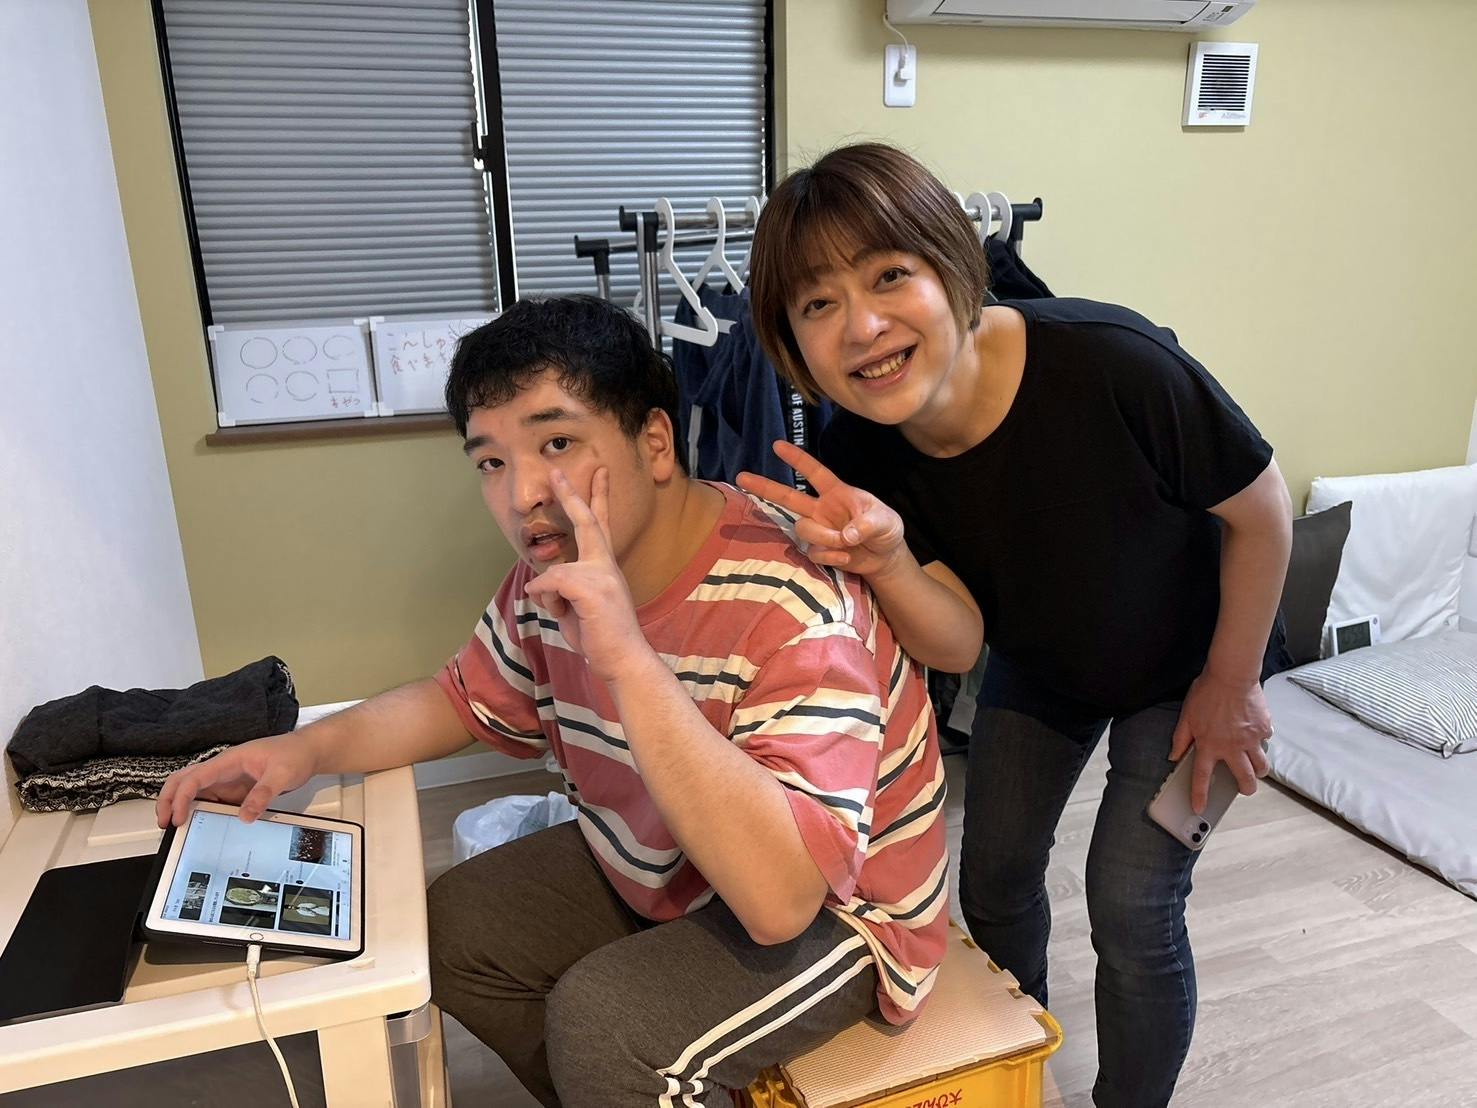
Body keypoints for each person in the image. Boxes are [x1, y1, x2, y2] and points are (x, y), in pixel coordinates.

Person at [156, 295, 948, 1108]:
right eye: (490, 462)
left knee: (603, 1025)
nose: (522, 493)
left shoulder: (790, 604)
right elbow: (458, 698)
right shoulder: (547, 582)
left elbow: (781, 902)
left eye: (557, 443)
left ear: (654, 441)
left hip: (846, 911)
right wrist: (304, 748)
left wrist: (625, 657)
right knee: (456, 930)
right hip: (673, 860)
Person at [739, 143, 1292, 1108]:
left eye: (888, 275)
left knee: (1132, 905)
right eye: (817, 304)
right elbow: (958, 643)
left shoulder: (1111, 360)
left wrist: (1231, 682)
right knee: (991, 879)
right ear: (791, 341)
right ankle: (1016, 1063)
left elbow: (1263, 511)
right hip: (1043, 661)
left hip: (1194, 664)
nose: (862, 326)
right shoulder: (856, 452)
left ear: (952, 264)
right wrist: (888, 562)